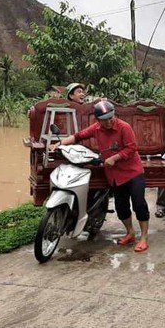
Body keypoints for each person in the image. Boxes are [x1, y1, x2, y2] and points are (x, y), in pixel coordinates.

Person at [50, 101, 150, 253]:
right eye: (104, 119)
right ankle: (130, 233)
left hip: (133, 172)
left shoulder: (124, 127)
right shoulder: (96, 128)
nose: (109, 122)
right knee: (121, 207)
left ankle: (143, 238)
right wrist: (60, 144)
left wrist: (115, 158)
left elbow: (132, 148)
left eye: (111, 118)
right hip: (115, 175)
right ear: (98, 120)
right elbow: (78, 136)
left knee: (139, 204)